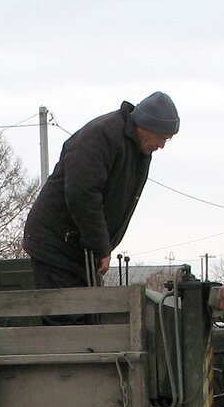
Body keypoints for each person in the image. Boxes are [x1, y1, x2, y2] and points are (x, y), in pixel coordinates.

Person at [23, 92, 179, 307]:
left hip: (80, 249)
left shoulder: (135, 149)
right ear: (146, 127)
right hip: (57, 245)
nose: (162, 145)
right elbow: (83, 194)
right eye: (162, 138)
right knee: (68, 318)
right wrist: (100, 247)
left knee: (89, 316)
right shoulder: (101, 136)